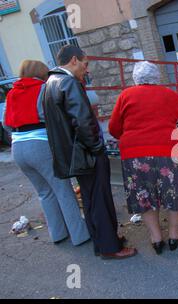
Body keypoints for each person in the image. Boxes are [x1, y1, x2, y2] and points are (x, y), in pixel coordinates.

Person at [43, 45, 136, 259]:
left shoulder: (50, 83)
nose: (87, 70)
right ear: (74, 60)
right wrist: (97, 148)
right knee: (100, 199)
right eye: (85, 64)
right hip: (87, 154)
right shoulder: (68, 82)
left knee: (91, 198)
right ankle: (111, 247)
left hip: (74, 155)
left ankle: (102, 242)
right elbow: (83, 122)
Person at [108, 61, 178, 255]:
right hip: (167, 150)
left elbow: (114, 129)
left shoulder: (125, 95)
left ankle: (156, 239)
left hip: (134, 154)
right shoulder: (167, 94)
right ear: (157, 78)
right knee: (173, 191)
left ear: (136, 78)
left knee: (144, 194)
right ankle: (174, 234)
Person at [1, 60, 90, 245]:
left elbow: (6, 124)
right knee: (63, 190)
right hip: (40, 145)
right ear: (41, 72)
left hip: (18, 149)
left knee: (44, 193)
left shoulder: (11, 94)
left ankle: (58, 233)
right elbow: (50, 116)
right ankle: (80, 235)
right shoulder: (43, 89)